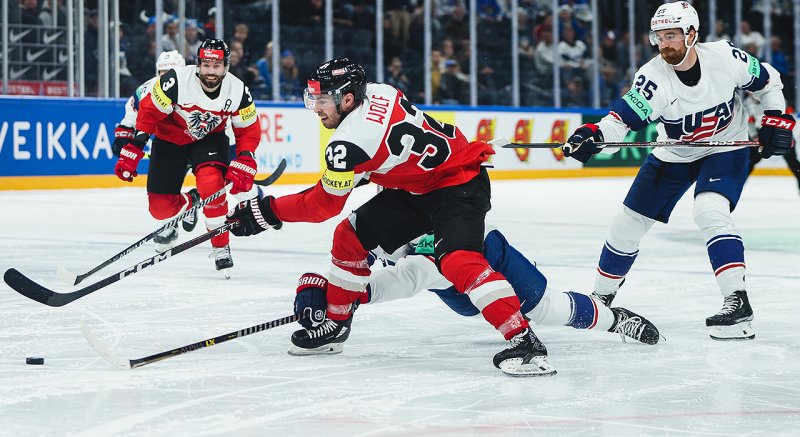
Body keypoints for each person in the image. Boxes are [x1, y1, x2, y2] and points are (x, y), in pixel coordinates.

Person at [227, 57, 554, 377]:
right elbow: (385, 155)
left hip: (459, 185)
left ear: (348, 98)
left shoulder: (348, 143)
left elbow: (323, 205)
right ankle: (336, 325)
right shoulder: (381, 91)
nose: (316, 108)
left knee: (458, 261)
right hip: (422, 185)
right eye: (312, 98)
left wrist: (265, 211)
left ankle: (525, 343)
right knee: (349, 236)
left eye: (323, 99)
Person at [561, 2, 794, 341]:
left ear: (691, 34)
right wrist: (595, 135)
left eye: (671, 35)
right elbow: (621, 121)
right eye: (659, 36)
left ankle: (737, 302)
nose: (664, 43)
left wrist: (776, 116)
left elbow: (769, 80)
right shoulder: (653, 78)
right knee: (627, 223)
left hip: (725, 148)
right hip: (673, 154)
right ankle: (601, 299)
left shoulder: (725, 58)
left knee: (710, 210)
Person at [293, 227, 662, 349]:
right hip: (454, 287)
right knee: (433, 273)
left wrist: (330, 297)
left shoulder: (417, 260)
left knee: (546, 310)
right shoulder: (385, 232)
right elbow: (358, 274)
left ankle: (616, 320)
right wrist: (318, 289)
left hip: (489, 256)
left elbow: (379, 286)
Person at [115, 39, 262, 278]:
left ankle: (220, 246)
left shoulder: (238, 90)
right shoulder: (175, 81)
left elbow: (247, 129)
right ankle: (194, 200)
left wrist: (246, 157)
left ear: (226, 66)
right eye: (206, 65)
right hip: (169, 141)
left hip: (209, 140)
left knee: (211, 184)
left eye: (217, 66)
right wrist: (134, 147)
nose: (211, 71)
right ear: (198, 64)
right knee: (160, 210)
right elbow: (149, 112)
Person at [112, 51, 201, 237]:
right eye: (163, 72)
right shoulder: (144, 91)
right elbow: (130, 120)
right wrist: (123, 139)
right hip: (167, 144)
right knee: (164, 191)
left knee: (211, 180)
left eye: (172, 71)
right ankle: (183, 211)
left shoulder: (198, 88)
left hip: (197, 142)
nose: (167, 77)